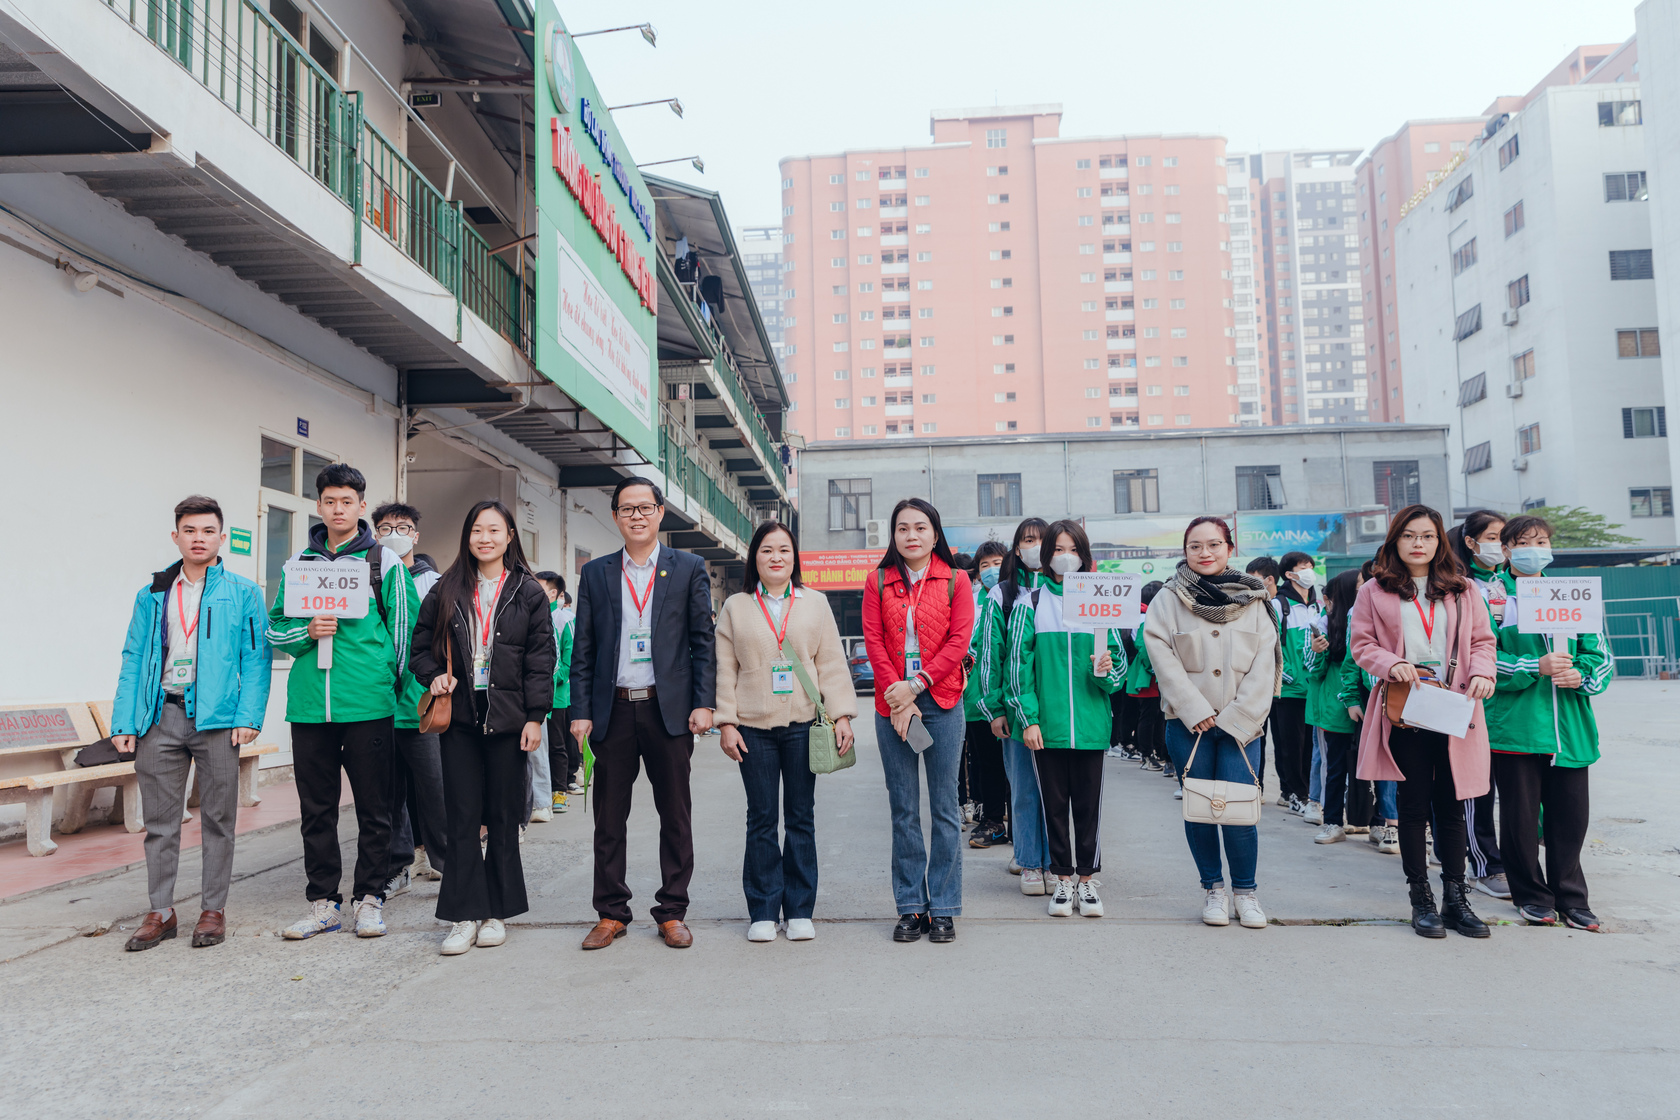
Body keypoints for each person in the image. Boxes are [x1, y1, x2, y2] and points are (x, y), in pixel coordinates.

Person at [112, 496, 272, 951]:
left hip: (218, 720)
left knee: (219, 819)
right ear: (176, 536)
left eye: (207, 531)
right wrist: (124, 721)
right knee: (160, 822)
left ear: (222, 537)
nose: (198, 539)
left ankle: (212, 910)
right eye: (189, 530)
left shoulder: (243, 592)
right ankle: (161, 912)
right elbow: (133, 657)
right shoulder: (152, 594)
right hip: (160, 715)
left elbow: (256, 659)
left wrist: (249, 717)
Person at [268, 464, 419, 941]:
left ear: (360, 506)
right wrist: (307, 631)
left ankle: (369, 899)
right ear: (319, 506)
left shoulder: (384, 564)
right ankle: (323, 903)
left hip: (368, 705)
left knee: (375, 808)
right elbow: (275, 629)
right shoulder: (299, 565)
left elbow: (406, 635)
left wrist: (390, 690)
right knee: (316, 810)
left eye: (347, 502)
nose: (338, 509)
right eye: (330, 501)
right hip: (310, 707)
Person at [571, 477, 716, 950]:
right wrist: (580, 710)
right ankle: (611, 913)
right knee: (609, 819)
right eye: (627, 508)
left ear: (659, 513)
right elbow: (584, 648)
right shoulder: (596, 573)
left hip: (667, 711)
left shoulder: (688, 567)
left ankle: (672, 911)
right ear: (615, 516)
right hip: (611, 710)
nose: (637, 515)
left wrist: (703, 702)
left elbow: (702, 642)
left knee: (675, 815)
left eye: (645, 507)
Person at [408, 501, 553, 955]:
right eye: (476, 530)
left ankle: (496, 913)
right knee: (463, 816)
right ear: (466, 536)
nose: (484, 538)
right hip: (461, 717)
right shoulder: (446, 588)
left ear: (510, 536)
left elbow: (540, 660)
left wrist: (536, 717)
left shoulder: (528, 592)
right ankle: (464, 914)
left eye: (494, 530)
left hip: (509, 718)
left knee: (505, 816)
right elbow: (419, 648)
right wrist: (434, 675)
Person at [1350, 504, 1497, 939]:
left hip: (1455, 706)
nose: (1419, 543)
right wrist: (1390, 662)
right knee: (1413, 806)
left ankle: (1456, 899)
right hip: (1407, 707)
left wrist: (1484, 673)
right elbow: (1362, 644)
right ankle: (1421, 900)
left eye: (1428, 536)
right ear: (1395, 539)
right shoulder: (1374, 590)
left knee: (1452, 806)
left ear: (1439, 541)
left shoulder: (1463, 589)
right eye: (1410, 535)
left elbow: (1483, 641)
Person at [714, 522, 858, 942]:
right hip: (752, 728)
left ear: (795, 557)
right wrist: (726, 722)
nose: (776, 557)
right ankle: (762, 910)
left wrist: (842, 715)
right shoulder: (736, 606)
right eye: (766, 550)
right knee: (760, 819)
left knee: (800, 817)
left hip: (803, 725)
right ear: (754, 558)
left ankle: (798, 910)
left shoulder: (815, 603)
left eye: (784, 550)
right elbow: (725, 669)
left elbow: (831, 663)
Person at [1144, 516, 1279, 929]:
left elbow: (1265, 662)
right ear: (1185, 551)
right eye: (1195, 546)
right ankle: (1213, 890)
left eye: (1214, 544)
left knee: (1240, 810)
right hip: (1189, 726)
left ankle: (1246, 893)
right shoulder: (1168, 599)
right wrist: (1193, 707)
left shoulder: (1255, 600)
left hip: (1243, 728)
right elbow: (1161, 655)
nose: (1205, 553)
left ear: (1229, 548)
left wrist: (1238, 716)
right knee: (1200, 809)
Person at [1490, 515, 1613, 929]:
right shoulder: (1492, 598)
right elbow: (1481, 660)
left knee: (1571, 818)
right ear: (1506, 550)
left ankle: (1572, 897)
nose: (1535, 548)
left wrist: (1581, 674)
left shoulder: (1572, 595)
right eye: (1525, 541)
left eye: (1542, 541)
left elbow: (1600, 656)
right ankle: (1531, 895)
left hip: (1570, 728)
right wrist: (1533, 666)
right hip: (1518, 726)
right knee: (1520, 820)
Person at [863, 498, 975, 942]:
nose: (912, 535)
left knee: (945, 807)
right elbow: (873, 640)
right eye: (903, 528)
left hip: (942, 701)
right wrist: (899, 695)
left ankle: (944, 907)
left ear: (935, 534)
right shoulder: (878, 581)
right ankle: (911, 906)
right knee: (904, 808)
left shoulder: (957, 580)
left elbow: (959, 640)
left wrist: (917, 685)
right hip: (892, 703)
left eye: (921, 527)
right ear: (893, 535)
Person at [1004, 521, 1127, 918]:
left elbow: (1118, 672)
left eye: (1073, 549)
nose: (1066, 556)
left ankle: (1086, 882)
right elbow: (1017, 668)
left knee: (1089, 811)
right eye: (1058, 549)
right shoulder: (1031, 604)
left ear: (1084, 554)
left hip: (1092, 727)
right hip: (1048, 729)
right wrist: (1029, 720)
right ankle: (1062, 880)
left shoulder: (1101, 601)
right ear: (1046, 556)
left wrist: (1104, 670)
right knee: (1053, 809)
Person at [371, 501, 447, 895]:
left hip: (420, 703)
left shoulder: (436, 583)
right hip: (376, 702)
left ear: (415, 536)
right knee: (387, 792)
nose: (393, 535)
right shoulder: (367, 576)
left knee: (435, 787)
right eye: (385, 528)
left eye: (402, 528)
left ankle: (449, 864)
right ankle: (398, 866)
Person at [977, 517, 1052, 895]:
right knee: (1023, 789)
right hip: (1016, 708)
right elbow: (990, 654)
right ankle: (1028, 860)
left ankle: (1056, 861)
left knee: (1056, 790)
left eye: (1042, 540)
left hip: (1057, 708)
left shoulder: (1069, 589)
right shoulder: (1002, 594)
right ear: (1017, 549)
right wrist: (994, 709)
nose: (1035, 547)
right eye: (1027, 540)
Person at [1447, 510, 1512, 901]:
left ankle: (1517, 862)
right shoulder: (1459, 586)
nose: (1501, 546)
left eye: (1507, 538)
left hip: (1517, 703)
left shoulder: (1516, 584)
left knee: (1518, 791)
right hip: (1476, 698)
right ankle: (1485, 863)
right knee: (1476, 788)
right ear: (1471, 542)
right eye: (1493, 537)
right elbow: (1474, 646)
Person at [1304, 570, 1362, 844]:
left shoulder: (1372, 617)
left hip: (1370, 701)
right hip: (1336, 705)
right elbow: (1313, 671)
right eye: (1359, 586)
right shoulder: (1326, 623)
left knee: (1375, 769)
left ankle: (1377, 822)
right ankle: (1333, 822)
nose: (1366, 590)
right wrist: (1318, 652)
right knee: (1336, 767)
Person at [964, 541, 1011, 848]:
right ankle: (993, 820)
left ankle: (1020, 825)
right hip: (975, 697)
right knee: (985, 762)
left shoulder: (1017, 596)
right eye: (985, 565)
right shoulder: (968, 601)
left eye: (998, 562)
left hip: (1010, 695)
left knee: (1015, 765)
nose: (992, 569)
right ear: (978, 573)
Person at [1272, 551, 1320, 817]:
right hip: (1289, 689)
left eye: (1311, 566)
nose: (1309, 571)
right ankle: (1295, 794)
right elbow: (1269, 644)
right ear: (1289, 574)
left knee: (1310, 747)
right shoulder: (1278, 605)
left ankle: (1308, 794)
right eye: (1304, 567)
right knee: (1291, 745)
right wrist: (1286, 674)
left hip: (1313, 688)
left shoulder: (1317, 606)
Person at [534, 572, 577, 813]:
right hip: (534, 693)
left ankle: (559, 792)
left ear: (553, 593)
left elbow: (570, 658)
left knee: (557, 745)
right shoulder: (530, 613)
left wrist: (552, 680)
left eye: (538, 586)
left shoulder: (564, 619)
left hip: (557, 695)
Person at [1124, 581, 1168, 776]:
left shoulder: (1151, 616)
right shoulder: (1145, 618)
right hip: (1148, 676)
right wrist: (1155, 667)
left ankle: (1156, 753)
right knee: (1149, 716)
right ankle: (1147, 755)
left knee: (1158, 716)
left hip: (1156, 676)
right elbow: (1143, 648)